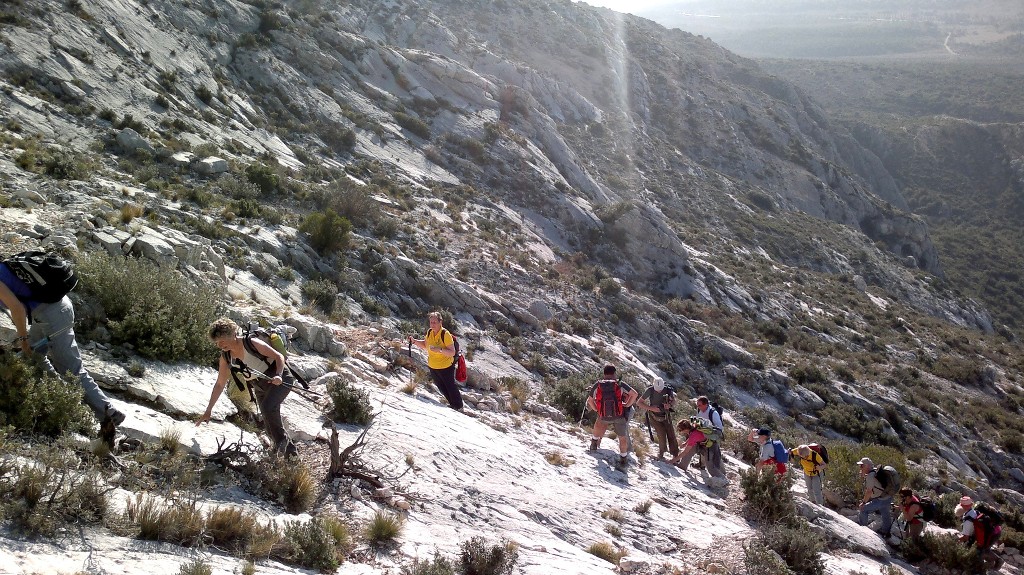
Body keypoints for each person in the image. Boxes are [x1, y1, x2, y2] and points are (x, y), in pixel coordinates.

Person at [0, 256, 126, 445]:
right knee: (33, 357)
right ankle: (64, 393)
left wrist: (23, 338)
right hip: (48, 312)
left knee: (72, 370)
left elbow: (16, 308)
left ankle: (109, 413)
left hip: (53, 315)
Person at [197, 317, 297, 457]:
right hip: (259, 385)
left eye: (222, 340)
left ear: (233, 334)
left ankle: (286, 453)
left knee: (268, 409)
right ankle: (286, 453)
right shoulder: (226, 357)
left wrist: (279, 375)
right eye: (217, 343)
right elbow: (220, 384)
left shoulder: (251, 343)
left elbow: (279, 356)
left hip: (280, 378)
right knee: (268, 420)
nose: (220, 345)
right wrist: (209, 410)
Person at [408, 312, 463, 411]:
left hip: (446, 366)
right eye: (431, 322)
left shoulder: (445, 334)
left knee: (450, 386)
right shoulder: (429, 332)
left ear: (440, 322)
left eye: (434, 322)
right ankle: (452, 405)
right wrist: (415, 341)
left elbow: (452, 352)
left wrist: (440, 350)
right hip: (433, 366)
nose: (432, 324)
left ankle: (459, 407)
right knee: (441, 387)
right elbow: (425, 345)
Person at [586, 364, 638, 468]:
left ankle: (594, 443)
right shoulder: (619, 384)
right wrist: (627, 404)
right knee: (622, 438)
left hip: (603, 414)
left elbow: (590, 400)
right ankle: (623, 458)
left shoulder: (598, 384)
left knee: (598, 423)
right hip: (619, 415)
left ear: (604, 374)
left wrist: (597, 409)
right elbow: (635, 394)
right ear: (614, 373)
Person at [636, 376, 678, 460]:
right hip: (654, 416)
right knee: (661, 434)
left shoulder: (668, 390)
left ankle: (675, 454)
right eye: (657, 389)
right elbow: (639, 402)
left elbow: (674, 401)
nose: (659, 391)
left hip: (666, 415)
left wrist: (669, 405)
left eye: (660, 389)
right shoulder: (650, 390)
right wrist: (651, 408)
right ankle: (661, 452)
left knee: (671, 434)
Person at [959, 502, 1005, 573]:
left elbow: (966, 537)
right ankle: (987, 562)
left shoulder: (969, 519)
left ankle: (997, 561)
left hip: (994, 533)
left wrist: (957, 541)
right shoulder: (974, 512)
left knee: (983, 549)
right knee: (980, 547)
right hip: (993, 530)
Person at [856, 457, 893, 538]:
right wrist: (865, 476)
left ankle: (862, 529)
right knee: (885, 513)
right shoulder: (876, 471)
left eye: (862, 466)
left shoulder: (870, 476)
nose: (860, 468)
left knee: (863, 509)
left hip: (881, 499)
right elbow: (875, 483)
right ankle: (886, 532)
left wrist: (863, 503)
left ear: (867, 466)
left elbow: (869, 491)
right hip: (888, 496)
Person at [694, 396, 726, 480]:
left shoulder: (713, 413)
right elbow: (697, 420)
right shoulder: (699, 411)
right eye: (697, 405)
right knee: (702, 450)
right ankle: (701, 465)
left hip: (714, 435)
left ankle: (722, 472)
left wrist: (710, 431)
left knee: (715, 453)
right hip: (704, 434)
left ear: (706, 404)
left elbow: (720, 427)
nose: (698, 407)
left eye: (700, 405)